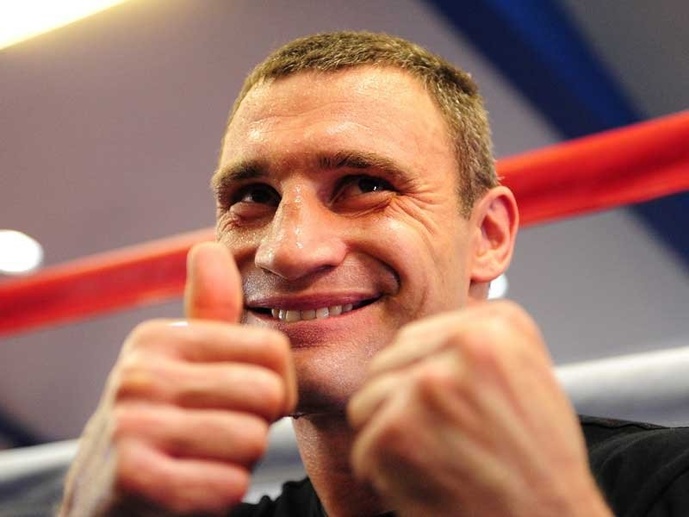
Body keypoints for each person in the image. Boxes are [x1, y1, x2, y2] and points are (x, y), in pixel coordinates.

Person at [59, 31, 689, 516]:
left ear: (488, 237)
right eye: (253, 196)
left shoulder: (667, 485)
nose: (287, 250)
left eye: (364, 185)